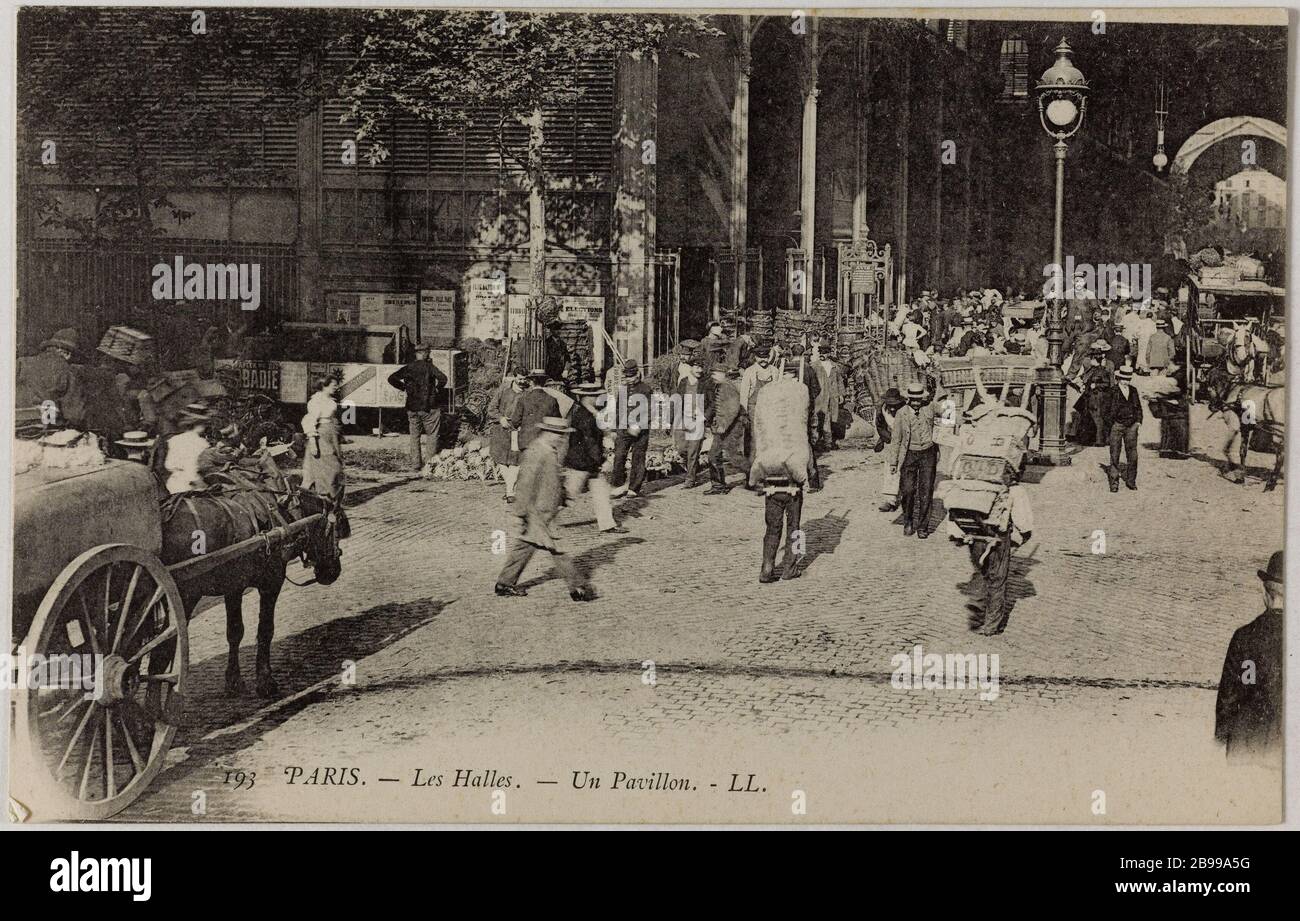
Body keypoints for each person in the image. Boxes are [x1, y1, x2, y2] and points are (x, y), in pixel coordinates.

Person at [494, 416, 595, 602]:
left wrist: (562, 495)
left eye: (562, 435)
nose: (560, 438)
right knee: (557, 548)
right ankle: (577, 587)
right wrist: (520, 513)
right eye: (557, 434)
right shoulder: (536, 452)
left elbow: (551, 481)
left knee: (526, 546)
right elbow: (525, 485)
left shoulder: (549, 450)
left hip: (546, 511)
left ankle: (505, 582)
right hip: (538, 513)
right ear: (546, 432)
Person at [1215, 550, 1284, 760]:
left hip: (1245, 745)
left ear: (1265, 594)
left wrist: (1225, 739)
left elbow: (1228, 697)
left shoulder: (1244, 637)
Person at [965, 467, 1034, 636]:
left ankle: (978, 612)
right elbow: (1023, 520)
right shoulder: (1015, 490)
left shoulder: (973, 481)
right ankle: (991, 624)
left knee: (981, 572)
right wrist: (1025, 535)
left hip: (974, 534)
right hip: (998, 537)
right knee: (997, 578)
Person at [563, 383, 625, 534]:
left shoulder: (587, 413)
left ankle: (607, 524)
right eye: (596, 396)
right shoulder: (584, 416)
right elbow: (590, 442)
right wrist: (602, 460)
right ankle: (540, 520)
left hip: (588, 462)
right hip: (580, 463)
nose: (599, 398)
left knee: (602, 494)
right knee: (568, 497)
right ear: (587, 398)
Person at [889, 382, 941, 538]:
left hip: (928, 453)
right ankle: (908, 521)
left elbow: (949, 412)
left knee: (925, 491)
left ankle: (923, 527)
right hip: (909, 454)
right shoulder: (901, 413)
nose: (917, 403)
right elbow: (896, 439)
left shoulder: (930, 407)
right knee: (908, 490)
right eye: (914, 400)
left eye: (919, 400)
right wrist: (893, 462)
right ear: (908, 399)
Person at [301, 370, 349, 535]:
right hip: (321, 437)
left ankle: (331, 501)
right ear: (324, 385)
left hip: (330, 436)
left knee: (335, 468)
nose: (336, 388)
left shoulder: (329, 400)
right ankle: (325, 501)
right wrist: (313, 441)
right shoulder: (316, 401)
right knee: (330, 470)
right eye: (333, 385)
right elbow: (309, 421)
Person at [387, 342, 448, 471]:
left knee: (414, 436)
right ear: (425, 353)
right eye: (428, 352)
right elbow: (443, 379)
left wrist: (403, 387)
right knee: (432, 435)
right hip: (429, 407)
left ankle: (415, 464)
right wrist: (437, 389)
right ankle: (429, 464)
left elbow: (391, 378)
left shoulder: (409, 367)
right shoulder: (429, 367)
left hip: (412, 407)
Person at [15, 327, 81, 423]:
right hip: (45, 430)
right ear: (67, 354)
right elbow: (75, 414)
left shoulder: (20, 362)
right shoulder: (67, 371)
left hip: (14, 428)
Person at [609, 359, 651, 499]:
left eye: (632, 376)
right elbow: (617, 409)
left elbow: (650, 411)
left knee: (638, 458)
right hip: (623, 428)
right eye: (627, 377)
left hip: (641, 430)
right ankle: (618, 486)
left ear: (637, 374)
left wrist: (639, 425)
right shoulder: (622, 390)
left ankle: (634, 487)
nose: (629, 380)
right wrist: (614, 429)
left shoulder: (645, 389)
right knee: (619, 456)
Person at [705, 366, 746, 495]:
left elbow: (732, 409)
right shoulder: (722, 386)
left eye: (716, 373)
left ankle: (757, 478)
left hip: (730, 428)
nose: (713, 376)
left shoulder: (727, 387)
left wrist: (723, 425)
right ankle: (718, 486)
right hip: (724, 428)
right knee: (715, 455)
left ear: (723, 374)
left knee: (732, 457)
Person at [487, 373, 526, 502]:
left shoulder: (527, 392)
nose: (522, 381)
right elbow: (492, 408)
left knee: (515, 460)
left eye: (524, 379)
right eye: (519, 378)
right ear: (514, 377)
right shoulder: (503, 390)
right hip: (501, 429)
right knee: (500, 459)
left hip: (517, 431)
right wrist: (500, 418)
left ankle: (510, 492)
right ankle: (510, 489)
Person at [1104, 365, 1142, 492]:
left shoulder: (1134, 390)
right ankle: (1114, 483)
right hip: (1117, 425)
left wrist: (1138, 422)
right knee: (1114, 454)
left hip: (1131, 426)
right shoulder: (1112, 391)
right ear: (1118, 378)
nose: (1126, 381)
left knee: (1132, 455)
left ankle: (1131, 481)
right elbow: (1105, 410)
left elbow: (1138, 408)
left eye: (1128, 379)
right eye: (1123, 379)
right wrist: (1112, 425)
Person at [759, 475, 803, 583]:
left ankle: (766, 570)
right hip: (793, 490)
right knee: (794, 529)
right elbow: (808, 467)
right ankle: (790, 569)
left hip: (771, 490)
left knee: (772, 530)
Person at [673, 358, 707, 489]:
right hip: (682, 418)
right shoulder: (683, 382)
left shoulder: (705, 383)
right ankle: (693, 467)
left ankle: (690, 479)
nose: (699, 370)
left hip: (698, 419)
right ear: (691, 368)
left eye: (701, 367)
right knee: (681, 449)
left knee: (693, 451)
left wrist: (703, 416)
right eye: (697, 367)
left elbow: (711, 402)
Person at [509, 369, 560, 455]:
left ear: (532, 382)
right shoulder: (552, 400)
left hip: (526, 443)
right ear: (545, 382)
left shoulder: (523, 399)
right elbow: (557, 423)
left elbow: (515, 421)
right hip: (545, 444)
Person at [164, 411, 211, 494]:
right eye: (204, 424)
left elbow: (168, 464)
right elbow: (191, 467)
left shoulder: (175, 439)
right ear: (198, 425)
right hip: (191, 486)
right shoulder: (200, 443)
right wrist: (201, 484)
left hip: (174, 482)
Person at [875, 388, 906, 511]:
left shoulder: (905, 409)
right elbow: (880, 427)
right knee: (890, 469)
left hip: (905, 441)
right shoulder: (881, 410)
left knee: (904, 469)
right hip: (890, 441)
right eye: (890, 405)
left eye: (895, 405)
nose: (892, 408)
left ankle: (905, 496)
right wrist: (889, 439)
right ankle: (890, 500)